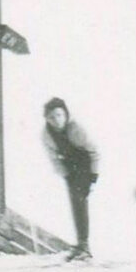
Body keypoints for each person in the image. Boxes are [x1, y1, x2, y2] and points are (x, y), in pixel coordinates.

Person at [41, 97, 99, 261]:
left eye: (59, 115)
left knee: (80, 200)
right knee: (75, 203)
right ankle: (82, 244)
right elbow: (53, 158)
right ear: (47, 119)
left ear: (66, 114)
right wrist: (65, 175)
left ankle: (84, 244)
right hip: (69, 167)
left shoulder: (76, 129)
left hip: (85, 164)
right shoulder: (47, 135)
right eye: (52, 117)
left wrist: (93, 177)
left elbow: (94, 152)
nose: (56, 120)